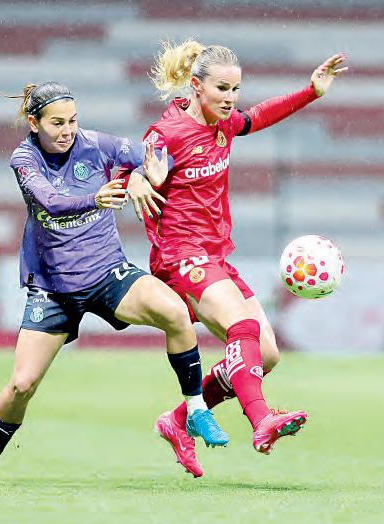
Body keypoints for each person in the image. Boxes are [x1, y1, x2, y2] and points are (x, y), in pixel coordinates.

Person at [0, 81, 228, 486]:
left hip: (106, 273)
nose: (67, 131)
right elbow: (49, 201)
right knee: (22, 385)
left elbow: (158, 153)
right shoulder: (24, 158)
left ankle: (197, 409)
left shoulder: (95, 143)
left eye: (73, 121)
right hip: (53, 288)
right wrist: (96, 198)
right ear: (34, 123)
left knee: (174, 311)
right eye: (57, 123)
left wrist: (139, 176)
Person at [118, 41, 347, 477]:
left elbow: (258, 116)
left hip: (215, 255)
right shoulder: (166, 133)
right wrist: (134, 179)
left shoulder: (224, 124)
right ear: (196, 86)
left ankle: (178, 420)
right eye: (221, 89)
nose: (230, 98)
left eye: (235, 89)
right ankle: (261, 421)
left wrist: (311, 92)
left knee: (267, 353)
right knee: (243, 329)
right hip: (180, 256)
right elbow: (128, 166)